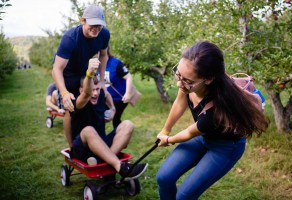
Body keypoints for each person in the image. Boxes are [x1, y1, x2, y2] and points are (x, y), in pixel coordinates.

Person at [156, 41, 269, 200]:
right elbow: (180, 102)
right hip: (204, 138)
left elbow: (189, 132)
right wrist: (165, 130)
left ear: (208, 79)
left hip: (225, 148)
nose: (179, 83)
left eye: (187, 80)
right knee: (164, 178)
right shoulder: (187, 83)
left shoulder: (216, 109)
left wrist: (168, 139)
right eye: (178, 74)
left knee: (183, 197)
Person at [70, 58, 148, 180]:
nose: (95, 93)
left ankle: (103, 161)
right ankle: (120, 167)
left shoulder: (100, 96)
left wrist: (112, 109)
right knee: (88, 130)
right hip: (82, 149)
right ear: (82, 90)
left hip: (101, 145)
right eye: (92, 90)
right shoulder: (79, 102)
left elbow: (106, 94)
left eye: (97, 89)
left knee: (128, 124)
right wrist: (89, 74)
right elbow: (86, 94)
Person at [52, 4, 110, 147]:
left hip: (84, 70)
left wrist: (102, 81)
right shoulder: (70, 38)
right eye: (93, 25)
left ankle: (92, 140)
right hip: (67, 74)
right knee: (69, 109)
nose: (96, 29)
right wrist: (64, 93)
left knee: (91, 99)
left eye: (99, 26)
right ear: (83, 20)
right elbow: (56, 69)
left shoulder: (104, 34)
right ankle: (73, 147)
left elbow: (103, 56)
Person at [105, 47, 134, 128]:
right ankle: (100, 137)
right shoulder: (96, 64)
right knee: (100, 118)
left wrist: (128, 94)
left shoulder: (116, 63)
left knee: (115, 119)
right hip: (104, 98)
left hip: (118, 98)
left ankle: (119, 135)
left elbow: (128, 77)